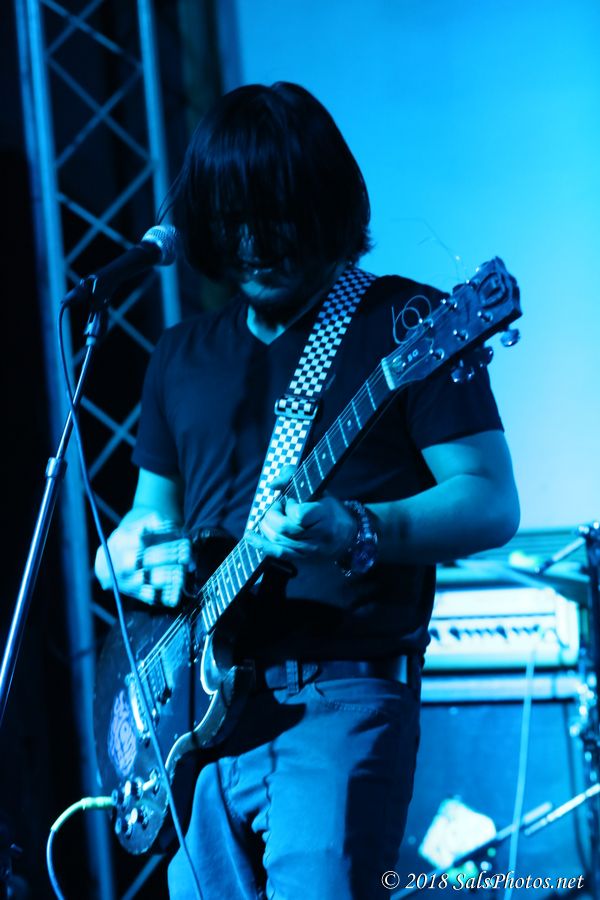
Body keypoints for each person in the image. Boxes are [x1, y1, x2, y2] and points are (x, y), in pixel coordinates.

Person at [95, 82, 520, 899]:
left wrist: (360, 526)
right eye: (235, 218)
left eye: (278, 214)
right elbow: (147, 522)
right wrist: (127, 557)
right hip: (198, 722)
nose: (257, 241)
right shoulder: (179, 353)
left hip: (336, 692)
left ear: (326, 202)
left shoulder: (407, 321)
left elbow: (490, 499)